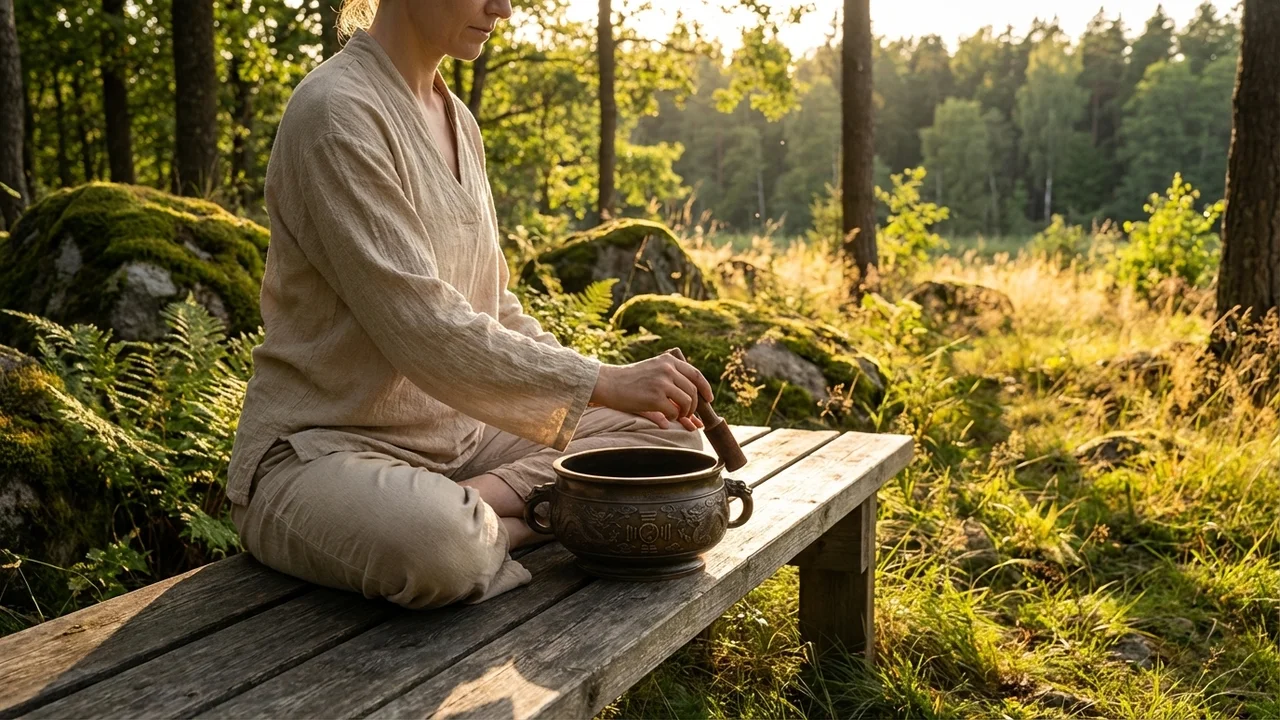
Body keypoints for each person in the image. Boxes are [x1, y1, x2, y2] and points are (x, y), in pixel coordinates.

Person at [226, 0, 713, 610]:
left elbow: (493, 306)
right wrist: (603, 381)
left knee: (667, 443)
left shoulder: (457, 118)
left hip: (468, 443)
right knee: (441, 545)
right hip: (321, 454)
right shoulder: (335, 114)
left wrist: (623, 392)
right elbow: (423, 327)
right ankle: (496, 520)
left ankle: (483, 508)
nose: (503, 9)